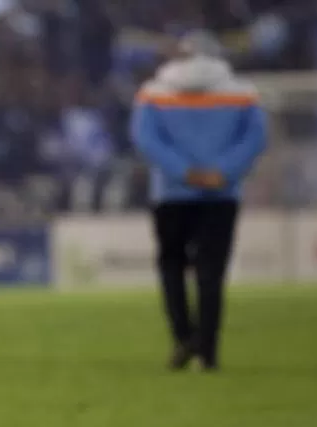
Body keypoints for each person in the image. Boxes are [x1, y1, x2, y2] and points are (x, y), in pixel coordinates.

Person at [130, 31, 268, 371]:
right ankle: (208, 350)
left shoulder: (154, 92)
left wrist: (184, 172)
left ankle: (183, 337)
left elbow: (146, 140)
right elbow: (255, 138)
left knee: (172, 267)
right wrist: (222, 172)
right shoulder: (243, 93)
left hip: (172, 194)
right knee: (211, 272)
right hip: (221, 195)